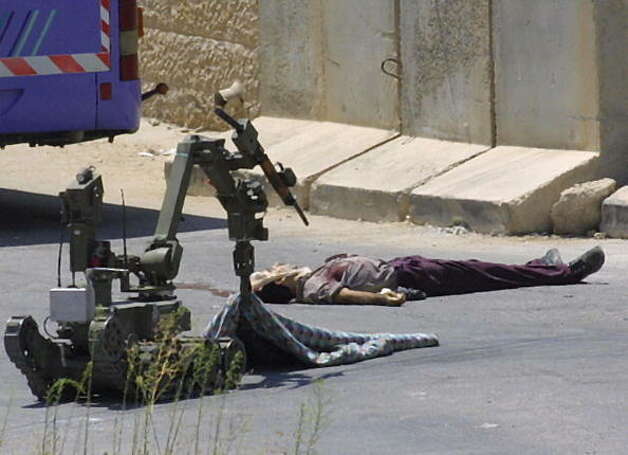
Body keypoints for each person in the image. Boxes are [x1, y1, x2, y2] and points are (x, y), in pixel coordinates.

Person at [251, 246, 605, 306]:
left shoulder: (311, 275)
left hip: (407, 266)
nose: (275, 267)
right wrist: (382, 299)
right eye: (270, 273)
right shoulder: (312, 287)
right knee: (481, 273)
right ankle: (565, 273)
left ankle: (540, 267)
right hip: (413, 277)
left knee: (481, 270)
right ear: (278, 283)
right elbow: (341, 296)